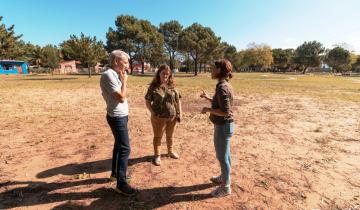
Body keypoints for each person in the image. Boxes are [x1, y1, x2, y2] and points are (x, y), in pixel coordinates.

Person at [100, 50, 137, 196]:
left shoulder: (115, 75)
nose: (127, 65)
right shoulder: (108, 75)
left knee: (118, 145)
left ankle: (115, 174)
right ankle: (121, 184)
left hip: (121, 116)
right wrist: (125, 81)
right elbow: (121, 97)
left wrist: (122, 80)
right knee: (125, 148)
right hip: (117, 117)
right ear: (116, 62)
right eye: (126, 62)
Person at [200, 59, 235, 197]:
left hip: (223, 126)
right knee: (226, 155)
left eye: (213, 68)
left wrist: (207, 109)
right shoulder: (225, 85)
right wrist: (208, 98)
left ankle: (226, 187)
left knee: (222, 157)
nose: (211, 70)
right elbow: (220, 104)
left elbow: (225, 111)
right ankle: (223, 177)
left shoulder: (222, 87)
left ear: (219, 70)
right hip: (226, 125)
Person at [145, 64, 182, 166]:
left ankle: (170, 152)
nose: (165, 75)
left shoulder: (172, 86)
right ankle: (157, 156)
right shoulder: (153, 87)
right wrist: (153, 113)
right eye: (163, 73)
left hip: (172, 117)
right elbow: (147, 102)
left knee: (170, 136)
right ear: (159, 74)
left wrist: (180, 113)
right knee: (158, 137)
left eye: (167, 73)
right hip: (158, 118)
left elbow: (178, 100)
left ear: (170, 74)